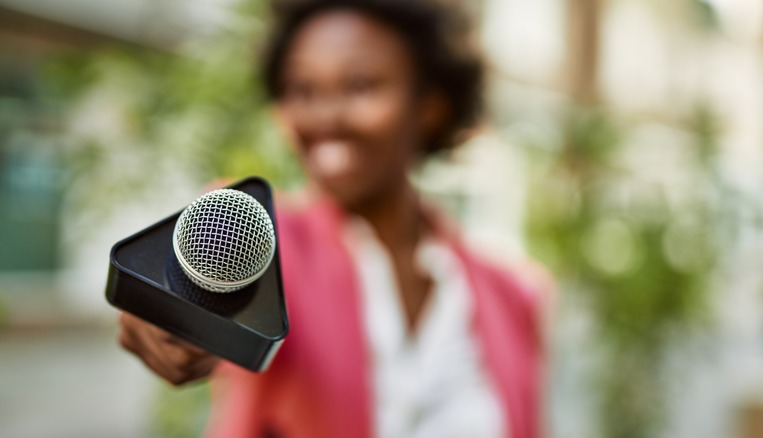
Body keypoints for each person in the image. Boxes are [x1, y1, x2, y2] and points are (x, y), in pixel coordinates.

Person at [118, 0, 549, 436]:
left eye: (360, 85)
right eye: (302, 90)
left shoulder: (513, 297)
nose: (326, 116)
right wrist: (171, 315)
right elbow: (201, 277)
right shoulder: (265, 239)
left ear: (429, 104)